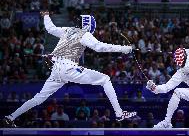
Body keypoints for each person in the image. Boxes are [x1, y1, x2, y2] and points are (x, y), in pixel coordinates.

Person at [2, 11, 136, 127]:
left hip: (56, 70)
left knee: (38, 98)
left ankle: (10, 117)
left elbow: (50, 28)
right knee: (105, 79)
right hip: (68, 68)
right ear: (89, 25)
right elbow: (99, 47)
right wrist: (124, 49)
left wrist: (46, 15)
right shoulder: (84, 34)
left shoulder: (67, 30)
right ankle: (119, 113)